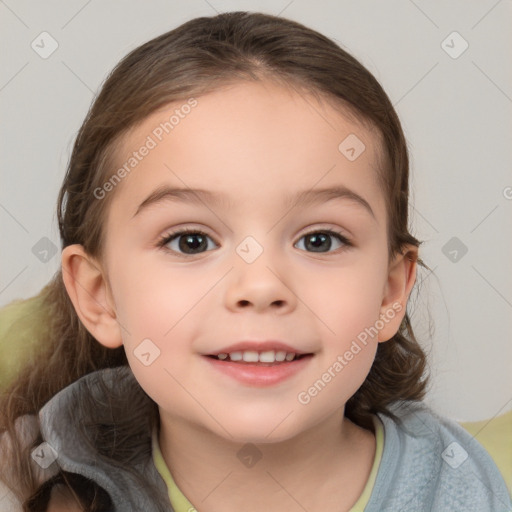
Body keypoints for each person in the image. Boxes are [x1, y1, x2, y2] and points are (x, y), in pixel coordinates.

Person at [0, 10, 510, 512]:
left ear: (389, 292)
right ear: (99, 295)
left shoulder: (461, 492)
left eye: (320, 241)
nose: (262, 285)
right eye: (191, 242)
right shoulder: (46, 483)